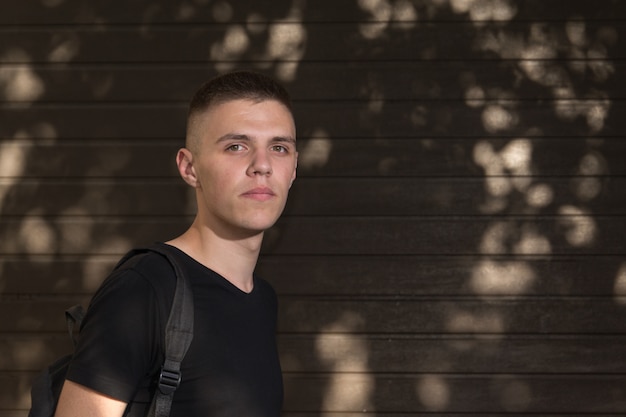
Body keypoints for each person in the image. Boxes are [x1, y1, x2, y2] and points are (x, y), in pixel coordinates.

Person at [54, 71, 298, 417]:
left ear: (294, 169)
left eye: (279, 147)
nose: (262, 165)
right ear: (189, 168)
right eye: (236, 146)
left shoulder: (263, 299)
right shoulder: (145, 289)